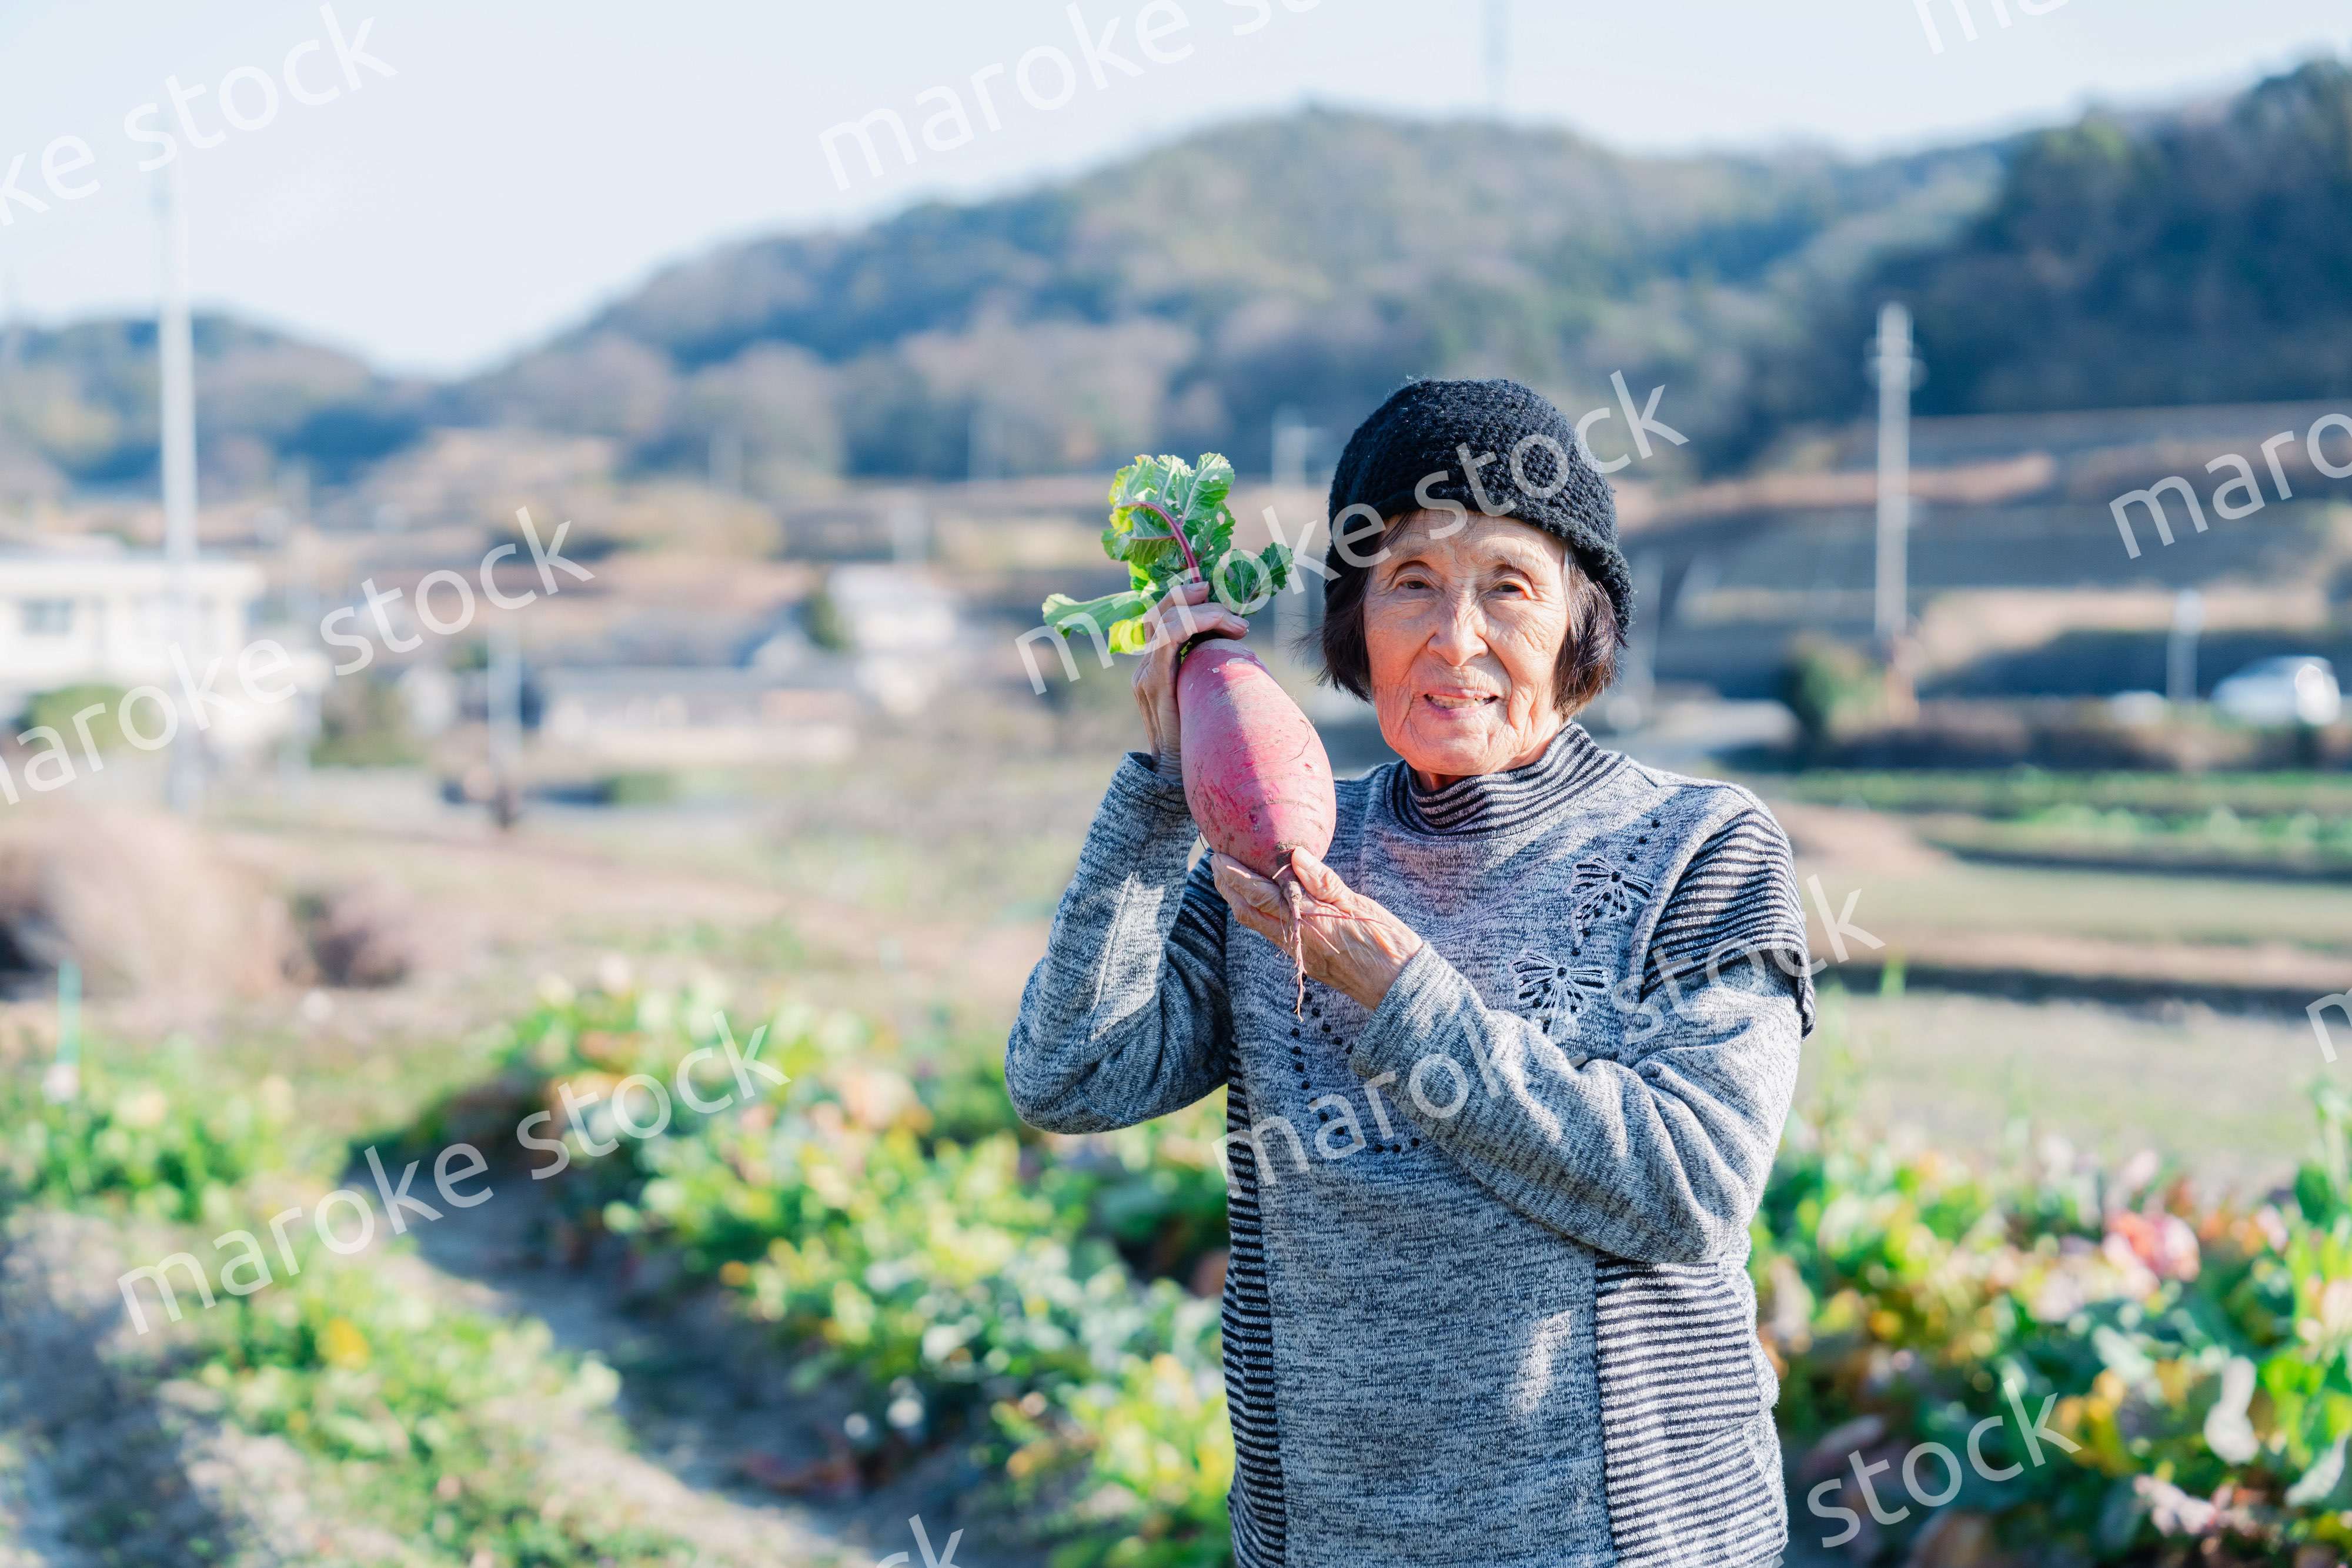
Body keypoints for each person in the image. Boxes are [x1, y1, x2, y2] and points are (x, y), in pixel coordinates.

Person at [1007, 377, 1812, 1568]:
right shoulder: (1280, 849)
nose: (1456, 638)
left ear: (1581, 623)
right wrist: (1163, 792)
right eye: (1411, 584)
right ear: (1354, 623)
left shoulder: (1701, 848)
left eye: (1509, 586)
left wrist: (1401, 999)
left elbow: (1687, 1187)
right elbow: (1068, 1073)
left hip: (1620, 1543)